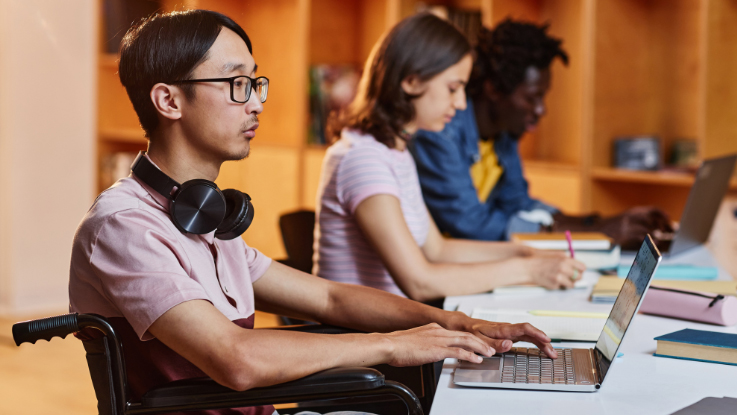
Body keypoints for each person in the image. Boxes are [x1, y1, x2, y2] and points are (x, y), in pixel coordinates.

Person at [68, 10, 559, 415]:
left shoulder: (204, 216)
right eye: (237, 84)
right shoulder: (124, 227)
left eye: (256, 83)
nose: (257, 102)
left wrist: (455, 324)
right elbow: (235, 358)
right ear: (169, 100)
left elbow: (330, 300)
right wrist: (392, 345)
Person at [313, 13, 586, 304]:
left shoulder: (394, 152)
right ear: (412, 81)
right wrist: (529, 270)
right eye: (453, 89)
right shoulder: (363, 159)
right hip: (359, 338)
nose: (460, 103)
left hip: (388, 331)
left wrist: (525, 252)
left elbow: (438, 250)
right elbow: (420, 282)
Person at [409, 19, 673, 250]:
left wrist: (600, 222)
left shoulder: (504, 134)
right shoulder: (439, 130)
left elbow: (519, 206)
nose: (541, 109)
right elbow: (474, 224)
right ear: (493, 90)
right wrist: (597, 233)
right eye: (532, 97)